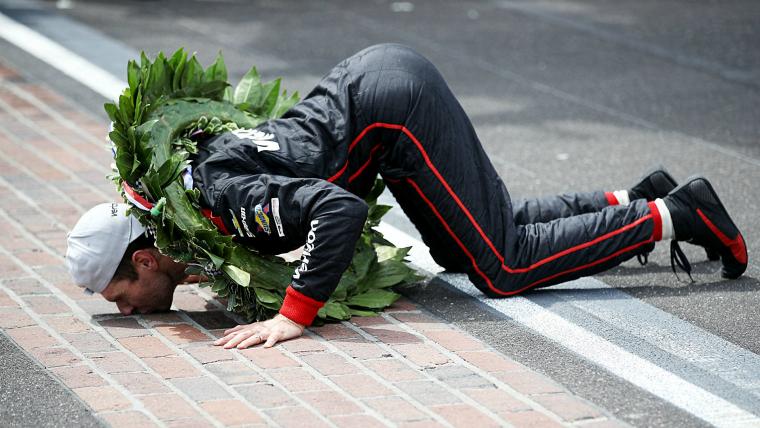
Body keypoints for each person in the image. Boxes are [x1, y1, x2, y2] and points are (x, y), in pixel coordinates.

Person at [66, 44, 747, 350]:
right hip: (376, 100)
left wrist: (294, 316)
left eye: (120, 296)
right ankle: (635, 195)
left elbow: (339, 209)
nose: (129, 310)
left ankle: (674, 214)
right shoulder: (187, 206)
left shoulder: (220, 201)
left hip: (391, 109)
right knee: (465, 245)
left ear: (147, 260)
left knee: (500, 268)